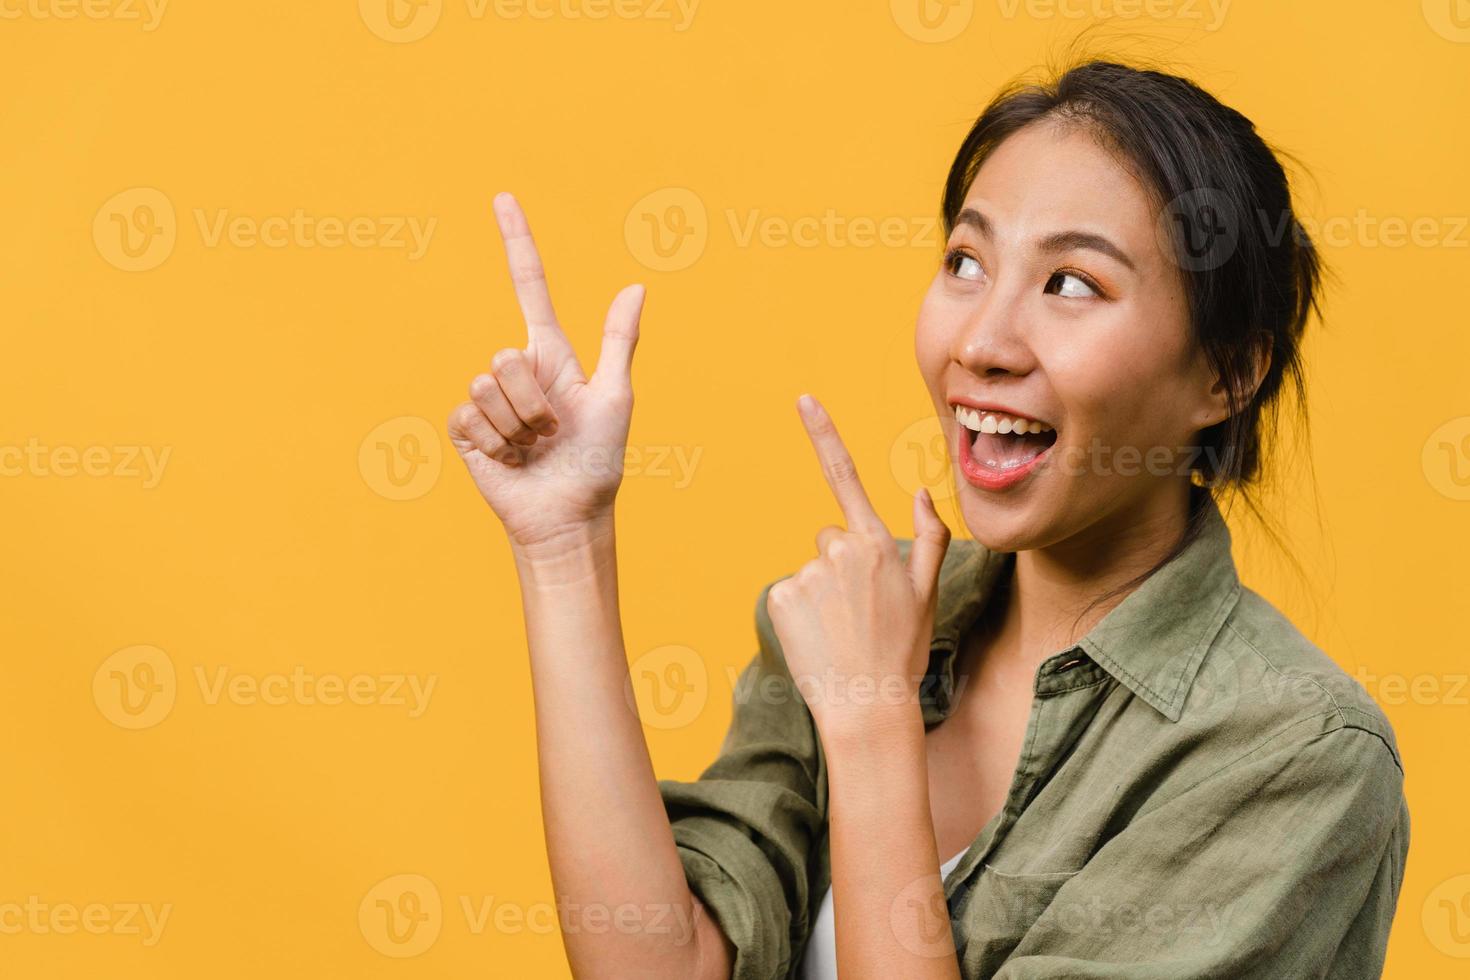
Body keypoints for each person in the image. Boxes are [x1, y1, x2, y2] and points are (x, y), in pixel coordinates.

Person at [446, 58, 1409, 980]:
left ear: (1225, 374)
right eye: (965, 260)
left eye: (1071, 282)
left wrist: (870, 725)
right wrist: (563, 543)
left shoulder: (1295, 756)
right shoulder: (868, 617)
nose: (982, 341)